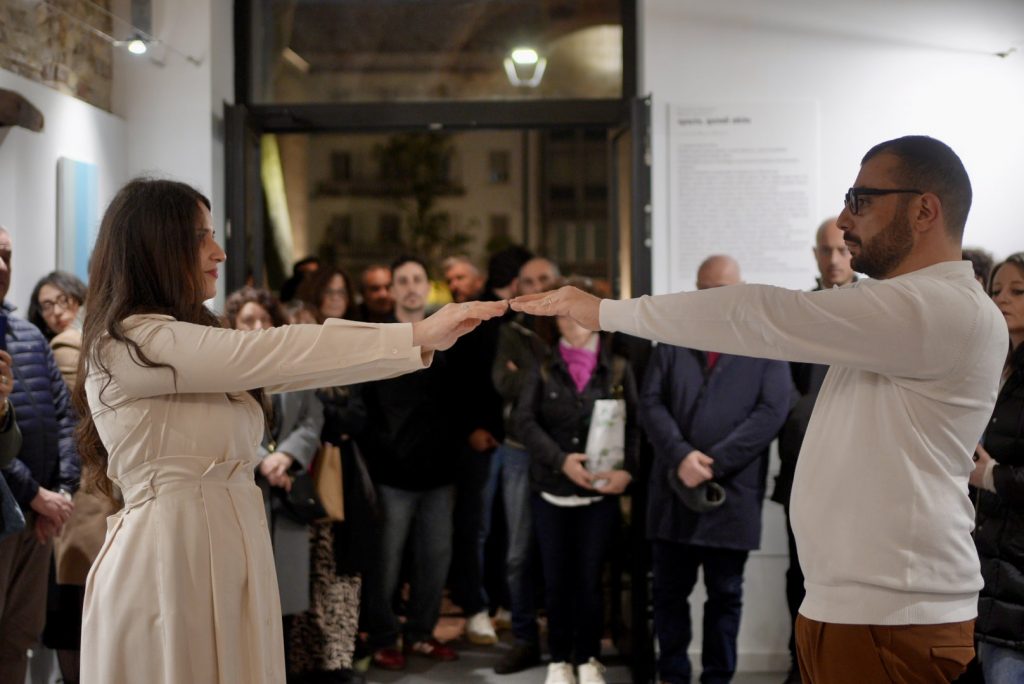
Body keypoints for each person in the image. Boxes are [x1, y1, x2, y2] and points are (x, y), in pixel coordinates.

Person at [513, 136, 1006, 683]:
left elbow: (760, 314)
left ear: (924, 210)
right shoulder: (909, 310)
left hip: (895, 617)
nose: (846, 219)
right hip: (864, 610)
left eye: (861, 200)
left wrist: (603, 311)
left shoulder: (936, 308)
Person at [72, 179, 507, 684]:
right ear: (156, 246)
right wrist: (416, 334)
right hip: (169, 555)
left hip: (227, 543)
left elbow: (286, 363)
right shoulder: (129, 343)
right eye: (200, 237)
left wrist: (416, 341)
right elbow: (276, 352)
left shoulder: (186, 338)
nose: (219, 251)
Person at [641, 255, 792, 684]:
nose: (711, 298)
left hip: (731, 496)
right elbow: (651, 401)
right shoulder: (672, 336)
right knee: (668, 595)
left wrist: (714, 463)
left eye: (721, 290)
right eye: (704, 289)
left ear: (739, 291)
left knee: (725, 597)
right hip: (673, 493)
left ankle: (717, 679)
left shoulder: (763, 342)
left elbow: (772, 410)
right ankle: (672, 677)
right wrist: (681, 455)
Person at [516, 276, 639, 684]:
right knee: (555, 579)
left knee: (590, 579)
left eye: (577, 311)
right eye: (562, 314)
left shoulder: (617, 367)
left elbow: (636, 427)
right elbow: (524, 421)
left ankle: (587, 656)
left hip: (600, 495)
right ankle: (559, 658)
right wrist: (560, 461)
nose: (571, 321)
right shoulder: (543, 364)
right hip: (552, 491)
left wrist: (628, 472)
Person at [358, 255, 463, 671]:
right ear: (394, 288)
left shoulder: (448, 337)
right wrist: (381, 451)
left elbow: (459, 402)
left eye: (417, 279)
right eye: (402, 280)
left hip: (439, 474)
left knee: (435, 559)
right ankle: (384, 637)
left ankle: (421, 633)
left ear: (426, 285)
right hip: (392, 474)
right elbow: (366, 405)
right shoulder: (380, 337)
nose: (410, 287)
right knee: (385, 563)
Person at [770, 217, 855, 684]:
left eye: (842, 249)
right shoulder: (798, 312)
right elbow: (782, 390)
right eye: (826, 250)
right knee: (799, 573)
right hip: (802, 466)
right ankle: (800, 664)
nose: (834, 259)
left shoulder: (874, 309)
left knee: (852, 574)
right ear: (815, 254)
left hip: (856, 471)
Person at [27, 271, 117, 684]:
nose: (56, 311)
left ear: (78, 300)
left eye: (63, 301)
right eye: (47, 305)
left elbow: (69, 423)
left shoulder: (66, 346)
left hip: (81, 492)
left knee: (72, 605)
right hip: (90, 488)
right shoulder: (91, 342)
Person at [0, 228, 80, 684]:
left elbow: (66, 419)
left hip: (38, 519)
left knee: (20, 636)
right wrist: (36, 494)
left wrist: (62, 492)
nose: (2, 267)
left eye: (7, 256)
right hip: (9, 510)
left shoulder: (30, 336)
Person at [291, 271, 374, 681]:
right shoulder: (285, 369)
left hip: (340, 478)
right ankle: (302, 662)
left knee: (340, 572)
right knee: (299, 573)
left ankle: (338, 660)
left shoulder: (347, 355)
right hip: (293, 480)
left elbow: (356, 418)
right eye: (330, 291)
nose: (337, 298)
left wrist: (323, 410)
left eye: (343, 291)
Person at [488, 256, 562, 675]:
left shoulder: (572, 324)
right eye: (529, 281)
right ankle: (524, 638)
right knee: (518, 553)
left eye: (544, 279)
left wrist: (530, 375)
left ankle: (564, 639)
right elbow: (503, 382)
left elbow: (573, 383)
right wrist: (545, 376)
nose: (537, 287)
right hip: (519, 450)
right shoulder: (511, 331)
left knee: (560, 552)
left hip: (562, 452)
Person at [969, 252, 1024, 682]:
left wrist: (990, 476)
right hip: (989, 566)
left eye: (1017, 291)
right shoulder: (995, 366)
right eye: (996, 290)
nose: (1002, 299)